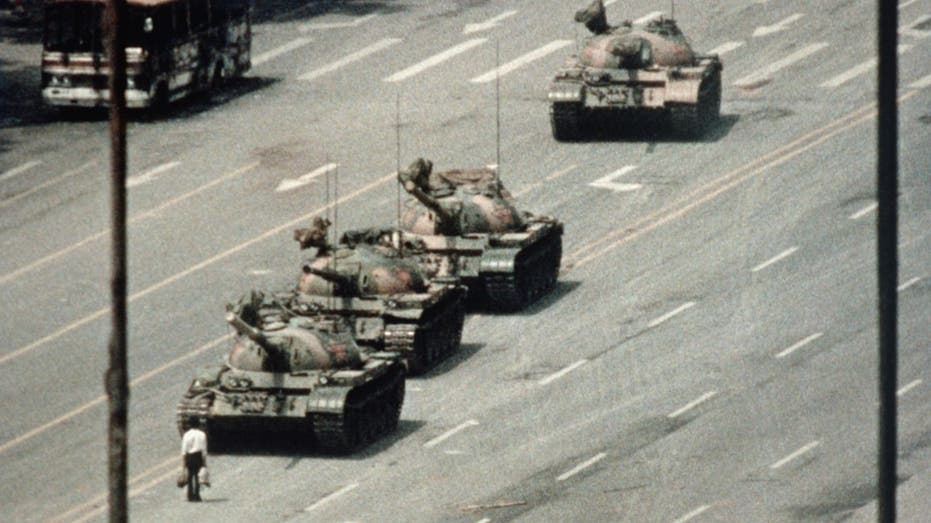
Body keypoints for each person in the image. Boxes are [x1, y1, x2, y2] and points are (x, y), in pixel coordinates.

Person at [181, 419, 208, 502]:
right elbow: (204, 449)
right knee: (197, 475)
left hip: (189, 456)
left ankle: (189, 495)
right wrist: (204, 462)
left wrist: (183, 463)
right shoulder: (202, 434)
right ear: (198, 425)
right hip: (198, 456)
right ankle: (197, 495)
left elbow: (184, 449)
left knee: (189, 475)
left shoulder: (186, 434)